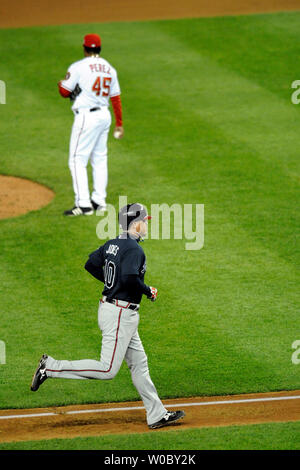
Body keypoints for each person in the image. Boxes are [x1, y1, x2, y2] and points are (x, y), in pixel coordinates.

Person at [30, 203, 185, 429]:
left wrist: (111, 284)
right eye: (144, 221)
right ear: (135, 224)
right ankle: (50, 367)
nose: (146, 226)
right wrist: (148, 290)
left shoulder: (113, 243)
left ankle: (157, 414)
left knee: (139, 364)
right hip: (120, 314)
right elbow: (131, 278)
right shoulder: (134, 249)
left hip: (117, 311)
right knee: (107, 369)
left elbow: (90, 264)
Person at [58, 33, 124, 216]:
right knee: (100, 158)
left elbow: (65, 92)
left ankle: (83, 204)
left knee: (76, 159)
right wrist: (119, 123)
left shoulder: (78, 67)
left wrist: (61, 84)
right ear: (99, 48)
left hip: (86, 117)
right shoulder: (110, 68)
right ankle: (99, 201)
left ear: (85, 48)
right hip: (104, 115)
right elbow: (115, 98)